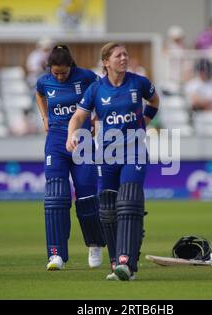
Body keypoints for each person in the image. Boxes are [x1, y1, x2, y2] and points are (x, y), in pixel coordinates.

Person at [66, 42, 160, 281]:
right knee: (107, 209)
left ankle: (126, 264)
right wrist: (71, 135)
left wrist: (143, 124)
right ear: (106, 62)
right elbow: (78, 117)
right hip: (107, 155)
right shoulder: (96, 89)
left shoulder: (138, 82)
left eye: (126, 54)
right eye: (119, 55)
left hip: (134, 151)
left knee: (128, 200)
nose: (124, 58)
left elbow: (154, 102)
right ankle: (117, 261)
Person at [35, 44, 105, 271]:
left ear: (70, 67)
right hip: (56, 141)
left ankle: (94, 245)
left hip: (82, 140)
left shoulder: (85, 76)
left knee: (86, 197)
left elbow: (103, 93)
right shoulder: (45, 81)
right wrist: (45, 117)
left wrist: (96, 118)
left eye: (63, 73)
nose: (59, 77)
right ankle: (56, 255)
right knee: (55, 197)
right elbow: (39, 94)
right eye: (56, 73)